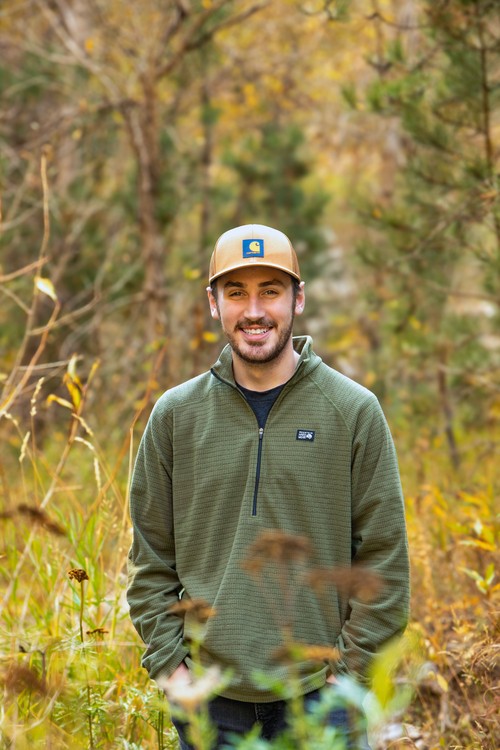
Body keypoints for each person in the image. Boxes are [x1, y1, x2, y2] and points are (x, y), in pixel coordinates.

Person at [127, 224, 410, 749]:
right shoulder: (175, 417)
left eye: (270, 291)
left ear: (297, 299)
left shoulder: (353, 412)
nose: (254, 311)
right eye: (236, 292)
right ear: (213, 303)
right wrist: (175, 674)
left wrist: (346, 680)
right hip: (211, 703)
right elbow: (150, 564)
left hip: (322, 702)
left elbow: (385, 563)